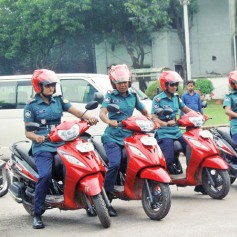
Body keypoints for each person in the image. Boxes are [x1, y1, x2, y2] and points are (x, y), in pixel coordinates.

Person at [24, 69, 98, 229]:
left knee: (79, 166)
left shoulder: (58, 100)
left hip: (61, 143)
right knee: (45, 175)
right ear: (39, 87)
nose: (52, 88)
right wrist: (36, 137)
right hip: (43, 146)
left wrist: (88, 118)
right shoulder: (31, 106)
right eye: (48, 85)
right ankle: (37, 214)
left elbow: (76, 111)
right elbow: (27, 132)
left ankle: (88, 202)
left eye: (53, 85)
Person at [99, 64, 150, 217]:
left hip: (129, 136)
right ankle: (106, 198)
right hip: (112, 136)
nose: (122, 85)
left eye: (125, 82)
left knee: (139, 160)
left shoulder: (133, 95)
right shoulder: (110, 96)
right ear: (114, 83)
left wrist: (151, 119)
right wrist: (109, 121)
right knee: (114, 163)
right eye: (119, 82)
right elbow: (102, 113)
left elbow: (144, 110)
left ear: (129, 81)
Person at [151, 71, 206, 193]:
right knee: (168, 158)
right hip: (164, 132)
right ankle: (158, 185)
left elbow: (186, 109)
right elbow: (153, 117)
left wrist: (198, 115)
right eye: (172, 84)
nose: (175, 87)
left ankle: (199, 182)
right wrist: (165, 123)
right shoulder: (158, 99)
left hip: (176, 131)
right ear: (164, 85)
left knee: (194, 149)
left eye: (176, 84)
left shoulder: (176, 97)